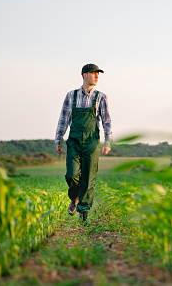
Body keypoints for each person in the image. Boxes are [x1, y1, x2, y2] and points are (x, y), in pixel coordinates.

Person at [55, 63, 112, 223]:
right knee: (71, 175)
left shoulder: (101, 97)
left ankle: (83, 213)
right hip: (73, 141)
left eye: (98, 74)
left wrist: (108, 141)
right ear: (84, 75)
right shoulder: (71, 96)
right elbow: (63, 119)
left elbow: (106, 121)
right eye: (93, 73)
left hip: (92, 142)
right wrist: (58, 138)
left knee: (89, 177)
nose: (96, 76)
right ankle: (75, 199)